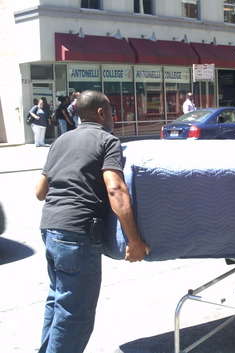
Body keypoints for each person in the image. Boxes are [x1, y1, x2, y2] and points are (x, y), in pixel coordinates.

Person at [35, 90, 150, 353]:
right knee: (75, 313)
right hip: (78, 233)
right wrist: (134, 241)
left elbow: (40, 192)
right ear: (101, 113)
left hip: (50, 228)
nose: (113, 116)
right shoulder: (107, 141)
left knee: (57, 300)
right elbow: (116, 190)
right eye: (111, 111)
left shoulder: (61, 140)